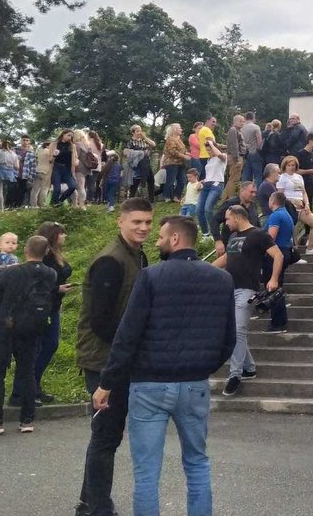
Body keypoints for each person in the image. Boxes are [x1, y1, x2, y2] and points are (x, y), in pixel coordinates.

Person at [93, 216, 235, 516]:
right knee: (197, 463)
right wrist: (204, 366)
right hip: (194, 384)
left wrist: (106, 382)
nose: (155, 241)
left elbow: (128, 334)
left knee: (147, 473)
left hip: (149, 383)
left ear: (174, 240)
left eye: (160, 237)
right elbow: (228, 339)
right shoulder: (221, 279)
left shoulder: (151, 276)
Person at [75, 198, 153, 516]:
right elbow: (101, 321)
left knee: (108, 434)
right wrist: (130, 347)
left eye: (148, 222)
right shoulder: (111, 260)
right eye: (136, 222)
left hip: (118, 357)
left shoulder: (138, 255)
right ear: (120, 221)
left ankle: (88, 502)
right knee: (106, 436)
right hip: (103, 359)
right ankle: (98, 508)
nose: (143, 228)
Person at [0, 235, 57, 436]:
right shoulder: (50, 273)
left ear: (25, 250)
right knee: (27, 372)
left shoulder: (13, 272)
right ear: (46, 253)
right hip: (33, 327)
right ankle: (27, 420)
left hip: (6, 326)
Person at [216, 205, 284, 396]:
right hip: (229, 288)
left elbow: (278, 255)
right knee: (233, 331)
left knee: (238, 330)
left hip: (247, 289)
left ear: (237, 217)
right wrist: (205, 269)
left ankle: (234, 375)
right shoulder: (233, 237)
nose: (226, 223)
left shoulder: (258, 235)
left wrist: (273, 279)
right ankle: (249, 367)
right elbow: (227, 258)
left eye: (228, 219)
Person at [31, 221, 74, 404]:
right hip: (43, 307)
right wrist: (58, 289)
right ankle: (28, 386)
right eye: (61, 233)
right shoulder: (46, 256)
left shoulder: (57, 254)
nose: (65, 236)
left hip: (54, 306)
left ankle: (34, 384)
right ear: (53, 235)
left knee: (49, 345)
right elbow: (38, 285)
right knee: (44, 346)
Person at [265, 191, 300, 332]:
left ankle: (277, 322)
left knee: (273, 287)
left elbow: (270, 238)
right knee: (278, 286)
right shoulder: (287, 214)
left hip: (276, 254)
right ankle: (281, 319)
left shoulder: (275, 215)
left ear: (273, 201)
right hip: (285, 251)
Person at [277, 155, 313, 255]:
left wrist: (307, 204)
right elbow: (280, 195)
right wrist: (290, 202)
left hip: (301, 206)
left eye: (293, 165)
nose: (291, 167)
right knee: (292, 231)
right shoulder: (282, 178)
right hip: (289, 206)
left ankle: (311, 247)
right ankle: (293, 253)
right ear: (285, 166)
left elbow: (303, 192)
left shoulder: (299, 177)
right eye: (289, 165)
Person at [197, 138, 227, 239]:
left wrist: (212, 144)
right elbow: (210, 174)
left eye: (209, 149)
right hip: (207, 184)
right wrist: (203, 181)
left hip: (216, 185)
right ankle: (206, 234)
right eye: (207, 150)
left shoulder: (222, 157)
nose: (208, 152)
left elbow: (219, 155)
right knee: (199, 209)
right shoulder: (209, 160)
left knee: (208, 209)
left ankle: (215, 233)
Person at [161, 122, 191, 202]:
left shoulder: (179, 139)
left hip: (181, 163)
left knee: (182, 180)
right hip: (172, 163)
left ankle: (176, 196)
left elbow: (182, 150)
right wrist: (184, 156)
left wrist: (188, 154)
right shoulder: (170, 139)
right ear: (175, 129)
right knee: (170, 180)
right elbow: (172, 151)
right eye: (180, 128)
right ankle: (167, 197)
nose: (181, 129)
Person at [126, 125, 157, 201]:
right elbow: (128, 153)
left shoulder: (144, 140)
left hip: (146, 162)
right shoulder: (130, 141)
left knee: (151, 180)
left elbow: (153, 145)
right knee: (135, 182)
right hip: (137, 164)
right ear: (133, 133)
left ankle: (151, 200)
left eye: (140, 130)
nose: (140, 132)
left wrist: (145, 137)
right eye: (137, 131)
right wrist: (140, 153)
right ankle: (131, 200)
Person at [50, 129, 79, 206]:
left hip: (67, 169)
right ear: (63, 134)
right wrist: (54, 155)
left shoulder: (72, 146)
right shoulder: (55, 144)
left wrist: (76, 161)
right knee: (57, 189)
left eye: (71, 136)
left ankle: (60, 201)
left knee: (73, 186)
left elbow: (75, 157)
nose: (70, 138)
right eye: (68, 135)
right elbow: (50, 160)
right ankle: (53, 204)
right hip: (57, 168)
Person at [222, 114, 246, 202]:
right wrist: (236, 160)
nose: (242, 123)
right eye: (240, 121)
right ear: (235, 121)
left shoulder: (236, 131)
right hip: (235, 157)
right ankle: (231, 199)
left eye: (243, 121)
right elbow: (234, 145)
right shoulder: (233, 130)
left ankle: (225, 198)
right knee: (234, 180)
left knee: (232, 179)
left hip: (235, 156)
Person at [242, 111, 265, 185]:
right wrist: (260, 150)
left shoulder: (241, 127)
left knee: (246, 174)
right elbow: (259, 141)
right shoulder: (256, 127)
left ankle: (244, 190)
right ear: (253, 118)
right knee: (257, 175)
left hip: (244, 152)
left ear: (245, 118)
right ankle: (257, 192)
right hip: (254, 152)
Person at [14, 135, 35, 207]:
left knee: (23, 190)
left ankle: (20, 205)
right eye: (24, 140)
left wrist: (31, 175)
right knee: (14, 188)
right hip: (15, 172)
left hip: (25, 173)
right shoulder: (15, 150)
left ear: (29, 142)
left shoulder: (31, 152)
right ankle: (12, 204)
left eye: (27, 140)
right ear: (21, 140)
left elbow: (32, 165)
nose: (25, 142)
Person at [30, 141, 53, 207]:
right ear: (47, 146)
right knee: (44, 189)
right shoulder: (49, 152)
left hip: (38, 170)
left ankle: (33, 205)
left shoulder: (39, 151)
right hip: (46, 171)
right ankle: (42, 205)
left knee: (35, 189)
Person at [72, 130, 91, 209]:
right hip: (85, 168)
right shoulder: (86, 145)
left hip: (78, 168)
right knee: (82, 187)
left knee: (78, 187)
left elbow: (75, 158)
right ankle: (82, 204)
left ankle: (77, 205)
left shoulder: (76, 145)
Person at [86, 131, 105, 203]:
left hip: (87, 165)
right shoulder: (101, 145)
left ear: (89, 136)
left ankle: (84, 199)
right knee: (92, 183)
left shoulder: (87, 144)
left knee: (84, 183)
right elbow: (103, 156)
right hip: (97, 166)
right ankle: (90, 199)